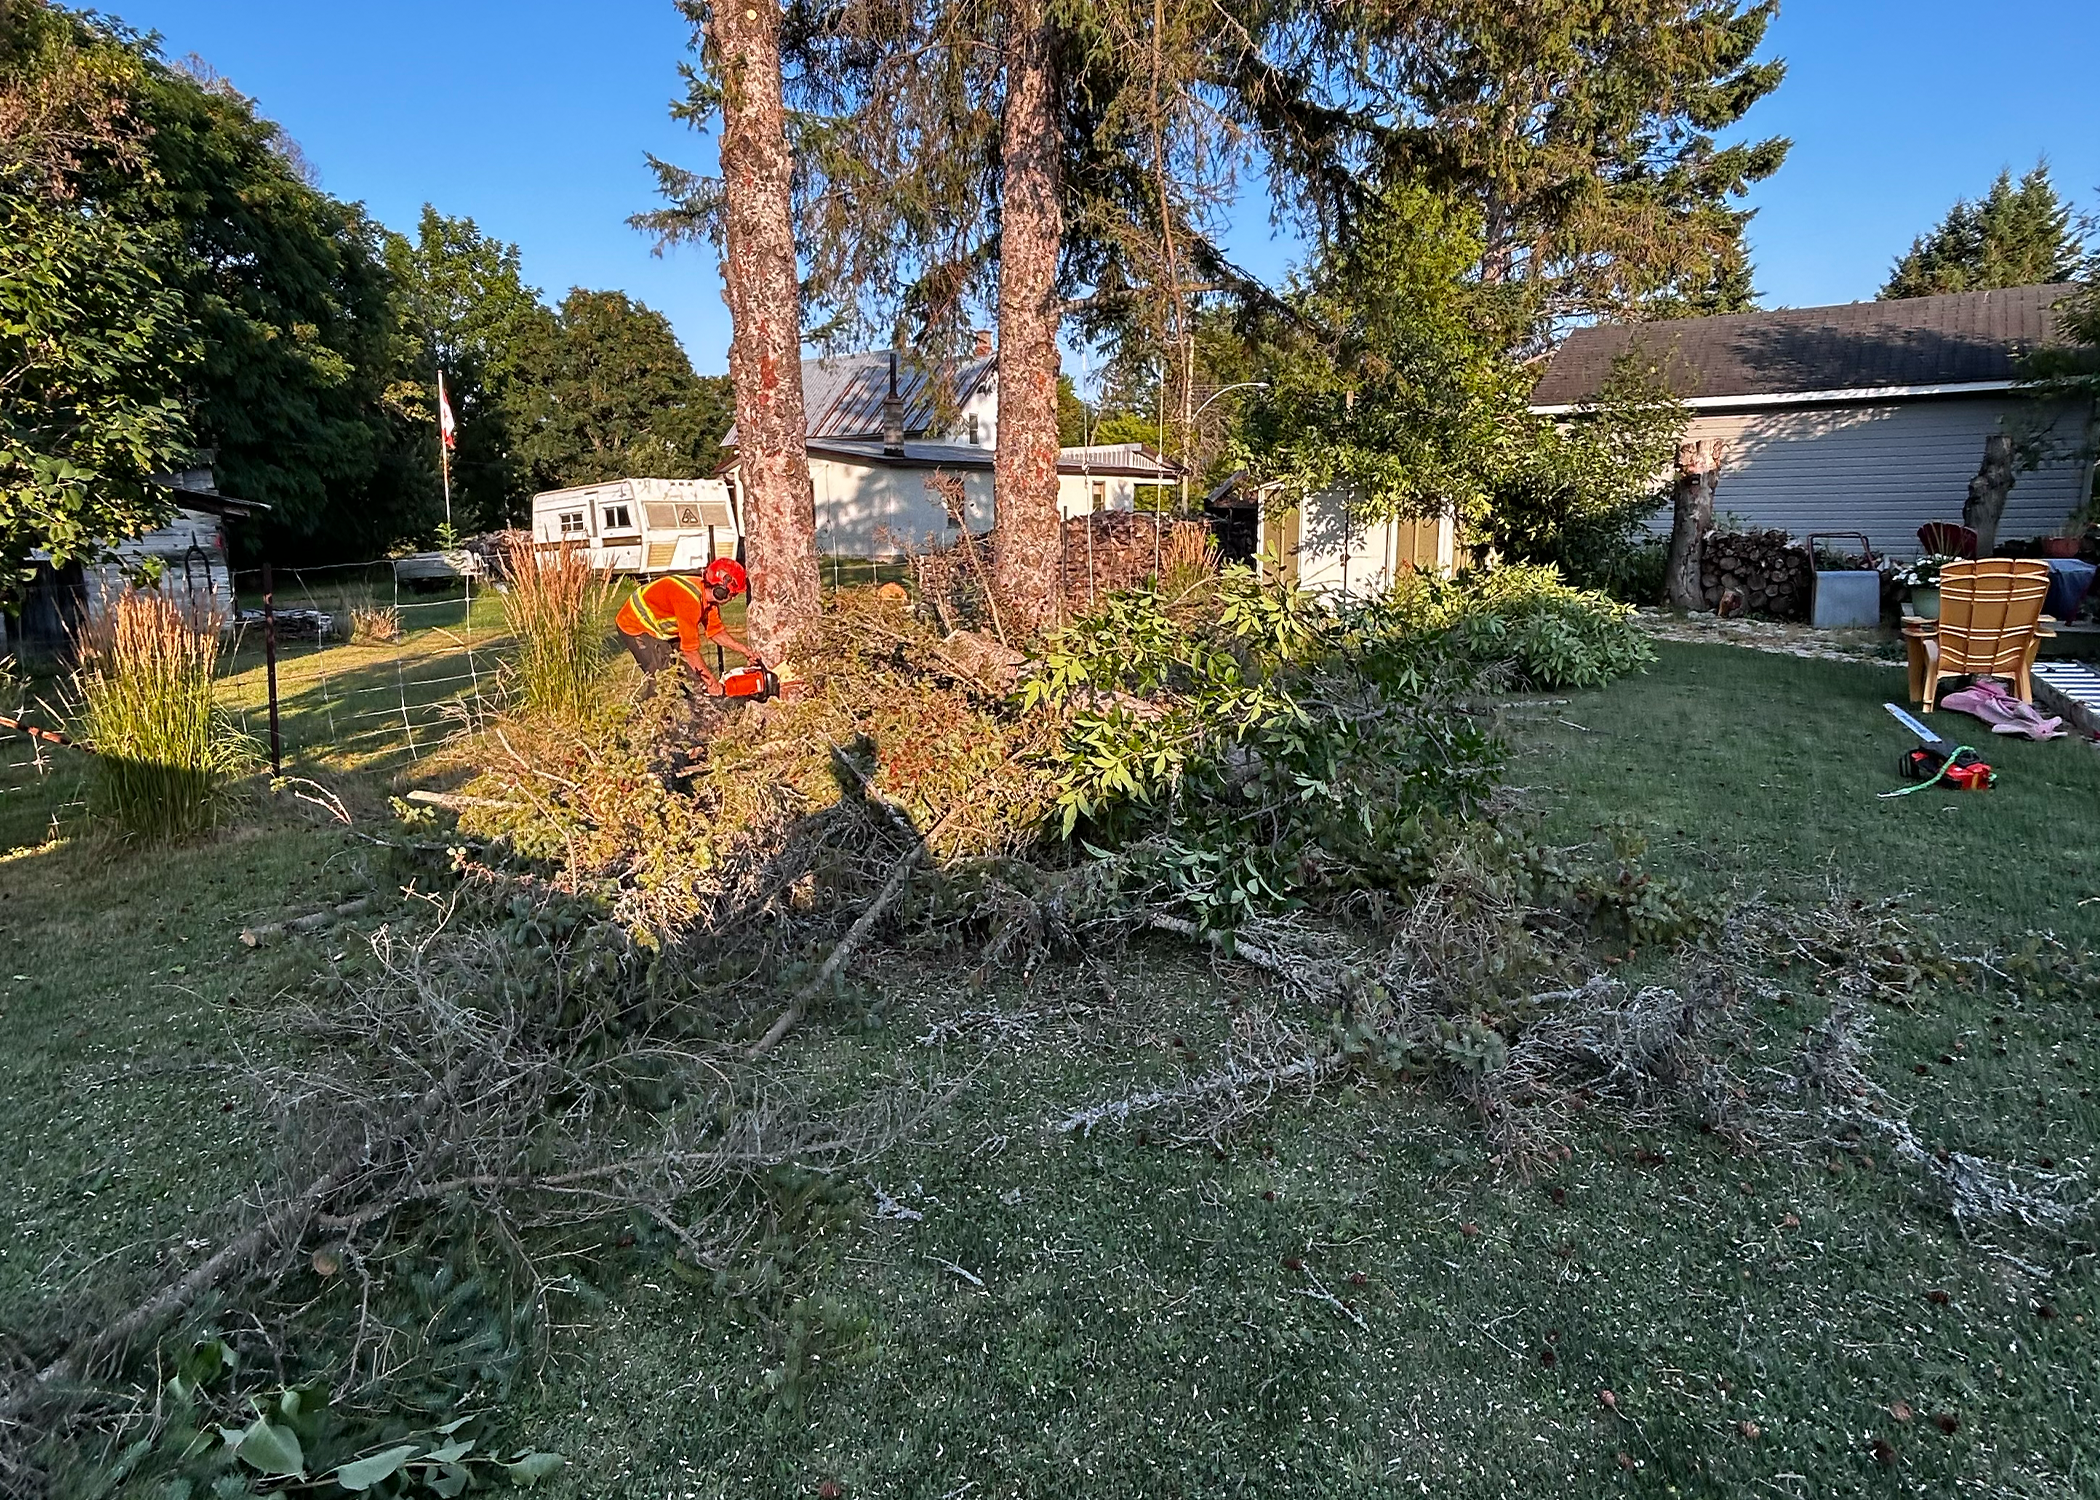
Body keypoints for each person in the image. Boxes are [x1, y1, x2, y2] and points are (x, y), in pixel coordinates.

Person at [615, 558, 764, 695]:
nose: (734, 598)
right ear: (721, 590)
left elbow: (716, 632)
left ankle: (702, 714)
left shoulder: (708, 601)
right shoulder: (689, 601)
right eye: (733, 594)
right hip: (634, 625)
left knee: (695, 676)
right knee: (663, 680)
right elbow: (690, 650)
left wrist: (744, 650)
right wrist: (711, 682)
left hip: (661, 629)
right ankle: (647, 719)